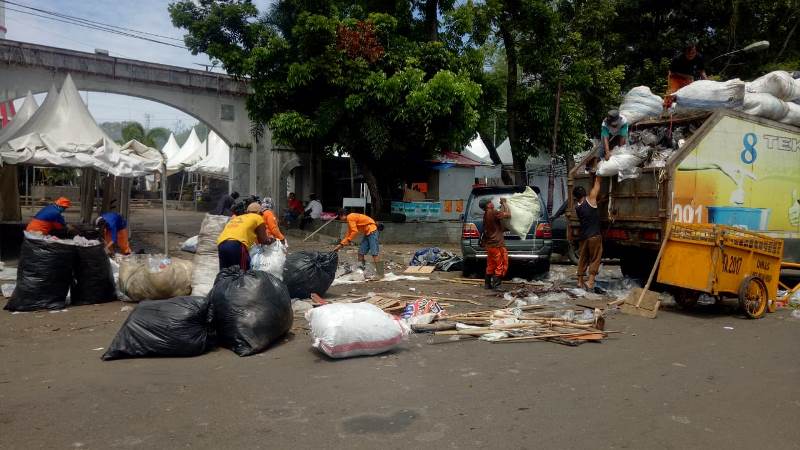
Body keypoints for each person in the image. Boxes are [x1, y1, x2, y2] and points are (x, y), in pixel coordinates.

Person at [216, 202, 271, 270]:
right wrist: (272, 241)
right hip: (237, 245)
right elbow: (263, 240)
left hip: (221, 244)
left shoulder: (238, 217)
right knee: (242, 272)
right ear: (259, 212)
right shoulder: (258, 217)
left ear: (247, 211)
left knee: (225, 272)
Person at [333, 209, 383, 279]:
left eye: (340, 217)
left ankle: (380, 274)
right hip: (367, 233)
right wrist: (341, 244)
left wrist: (348, 241)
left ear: (342, 215)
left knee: (374, 253)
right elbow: (349, 233)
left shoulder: (350, 217)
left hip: (372, 231)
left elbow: (354, 231)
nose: (340, 219)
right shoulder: (350, 219)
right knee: (360, 253)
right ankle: (362, 272)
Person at [573, 175, 602, 291]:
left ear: (576, 197)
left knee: (583, 258)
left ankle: (579, 281)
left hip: (584, 237)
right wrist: (598, 176)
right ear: (585, 194)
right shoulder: (591, 200)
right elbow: (597, 186)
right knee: (595, 258)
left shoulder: (577, 207)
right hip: (594, 236)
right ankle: (590, 282)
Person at [479, 197, 511, 290]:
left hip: (490, 245)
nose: (492, 203)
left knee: (491, 264)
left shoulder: (486, 214)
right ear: (487, 205)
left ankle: (487, 284)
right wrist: (504, 203)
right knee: (500, 264)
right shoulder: (492, 212)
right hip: (497, 244)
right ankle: (497, 285)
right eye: (490, 202)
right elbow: (508, 214)